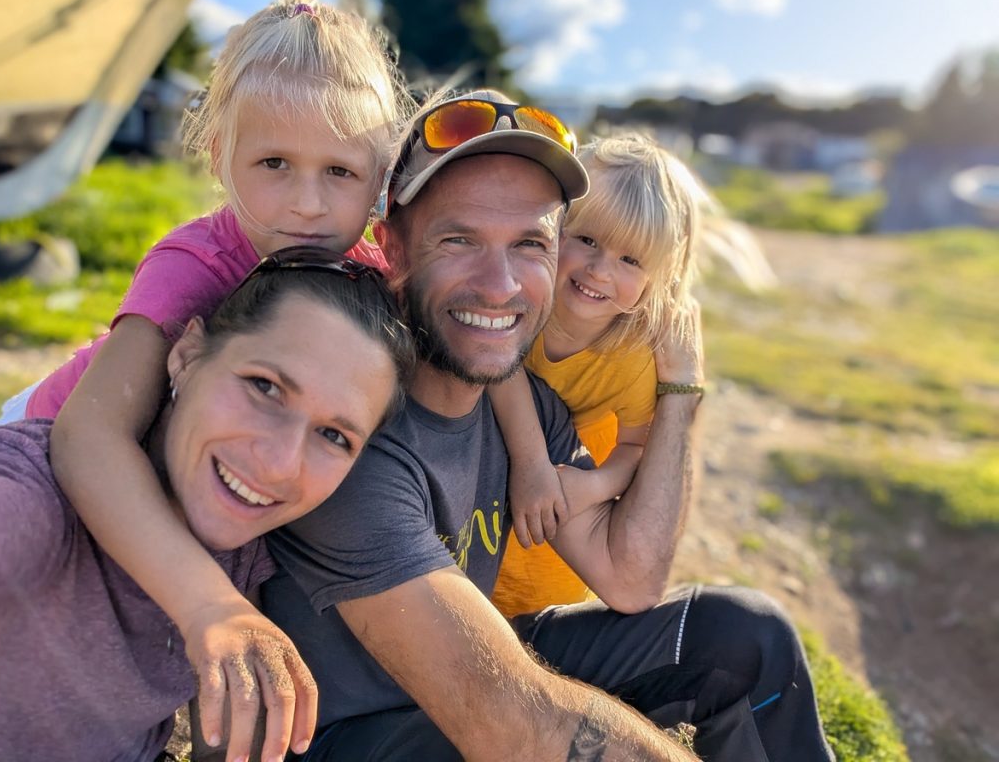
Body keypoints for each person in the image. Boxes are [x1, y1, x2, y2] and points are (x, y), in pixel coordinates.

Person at [261, 89, 835, 761]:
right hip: (343, 737)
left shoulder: (531, 404)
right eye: (460, 239)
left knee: (746, 636)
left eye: (530, 243)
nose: (501, 284)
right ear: (393, 249)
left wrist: (682, 389)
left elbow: (630, 578)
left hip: (477, 683)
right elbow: (512, 723)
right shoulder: (347, 416)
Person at [0, 0, 410, 754]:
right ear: (218, 157)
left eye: (339, 171)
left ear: (377, 182)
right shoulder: (197, 260)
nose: (307, 206)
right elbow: (88, 435)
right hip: (41, 435)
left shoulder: (366, 273)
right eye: (273, 164)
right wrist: (207, 603)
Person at [0, 246, 416, 762]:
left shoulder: (241, 559)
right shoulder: (30, 502)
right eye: (264, 387)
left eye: (335, 436)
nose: (278, 463)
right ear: (185, 356)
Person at [490, 133, 708, 617]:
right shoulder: (516, 292)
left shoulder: (632, 357)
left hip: (570, 483)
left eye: (630, 260)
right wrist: (531, 464)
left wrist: (596, 485)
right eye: (586, 239)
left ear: (660, 279)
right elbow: (497, 366)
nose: (599, 270)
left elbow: (636, 447)